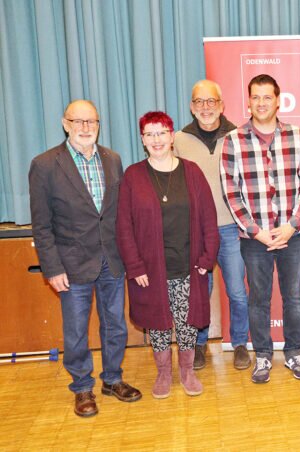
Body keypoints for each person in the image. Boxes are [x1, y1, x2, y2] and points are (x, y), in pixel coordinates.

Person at [29, 100, 142, 417]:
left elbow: (118, 214)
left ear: (98, 124)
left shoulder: (112, 159)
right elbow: (41, 224)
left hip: (111, 260)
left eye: (91, 121)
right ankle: (81, 387)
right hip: (71, 264)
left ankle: (113, 379)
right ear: (65, 124)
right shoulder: (45, 165)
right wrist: (52, 268)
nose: (85, 127)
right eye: (78, 121)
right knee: (76, 331)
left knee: (115, 325)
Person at [221, 74, 300, 384]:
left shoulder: (297, 136)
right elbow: (231, 193)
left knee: (294, 298)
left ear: (278, 101)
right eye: (256, 97)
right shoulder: (233, 140)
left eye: (267, 97)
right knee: (258, 299)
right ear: (248, 102)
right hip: (254, 239)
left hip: (293, 236)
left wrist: (291, 226)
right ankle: (262, 354)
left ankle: (294, 352)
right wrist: (256, 232)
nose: (261, 103)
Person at [116, 111, 219, 398]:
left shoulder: (192, 172)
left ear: (172, 136)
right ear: (142, 140)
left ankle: (186, 371)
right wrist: (135, 266)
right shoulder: (133, 176)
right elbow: (123, 226)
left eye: (161, 132)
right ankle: (163, 372)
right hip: (151, 270)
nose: (156, 139)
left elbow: (209, 220)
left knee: (187, 323)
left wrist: (207, 258)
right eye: (150, 134)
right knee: (158, 323)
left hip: (189, 266)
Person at [174, 80, 251, 371]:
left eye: (211, 101)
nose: (205, 107)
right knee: (199, 293)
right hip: (195, 232)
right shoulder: (178, 140)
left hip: (231, 227)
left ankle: (240, 343)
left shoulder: (239, 136)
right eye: (199, 102)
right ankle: (199, 344)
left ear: (221, 105)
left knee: (237, 292)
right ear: (192, 107)